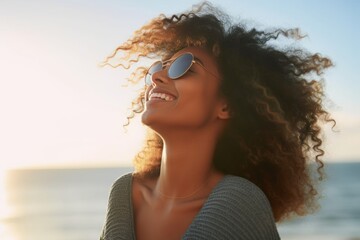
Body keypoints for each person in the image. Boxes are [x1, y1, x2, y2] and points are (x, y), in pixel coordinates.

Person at [100, 2, 335, 239]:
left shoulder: (241, 203)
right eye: (158, 68)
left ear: (226, 106)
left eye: (184, 68)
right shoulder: (124, 194)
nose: (157, 77)